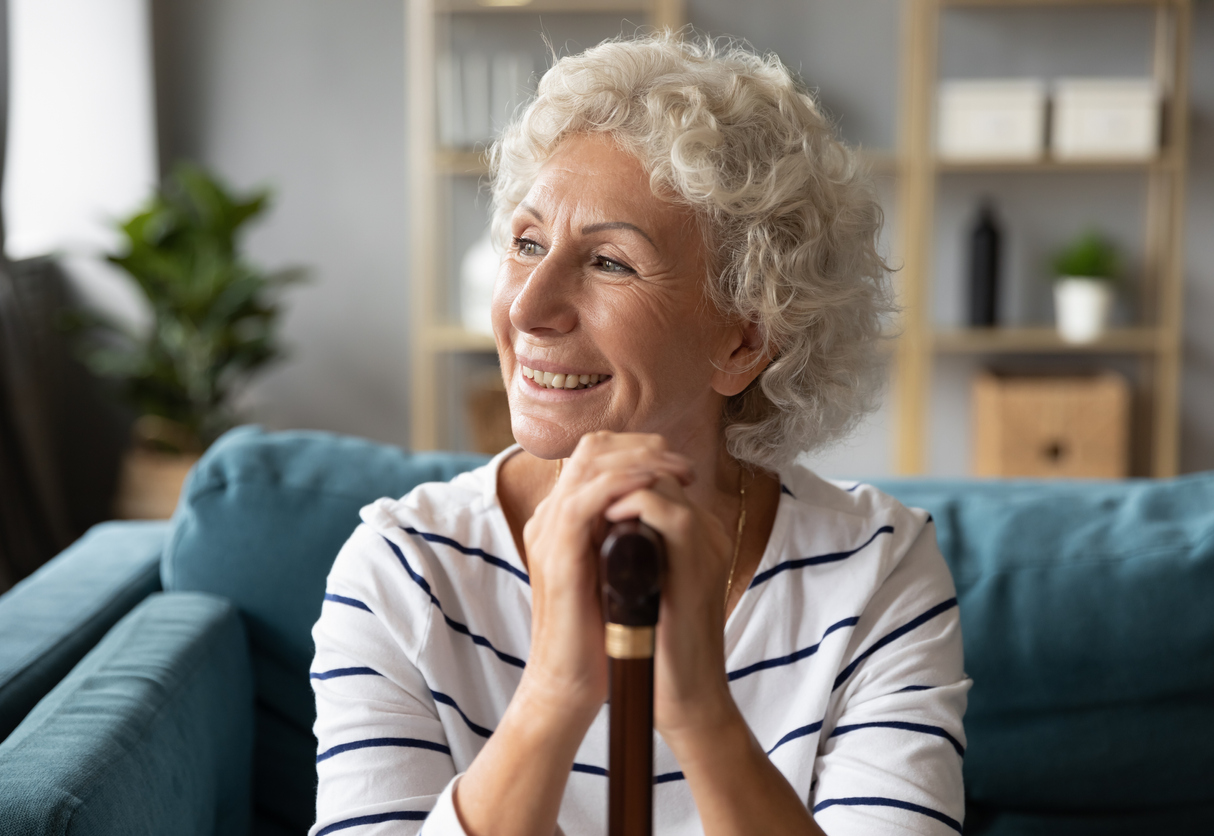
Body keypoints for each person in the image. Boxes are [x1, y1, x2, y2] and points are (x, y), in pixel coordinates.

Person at [310, 33, 969, 836]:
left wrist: (697, 709)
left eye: (611, 262)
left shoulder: (876, 572)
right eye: (526, 243)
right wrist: (555, 692)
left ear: (743, 343)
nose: (526, 308)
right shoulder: (403, 572)